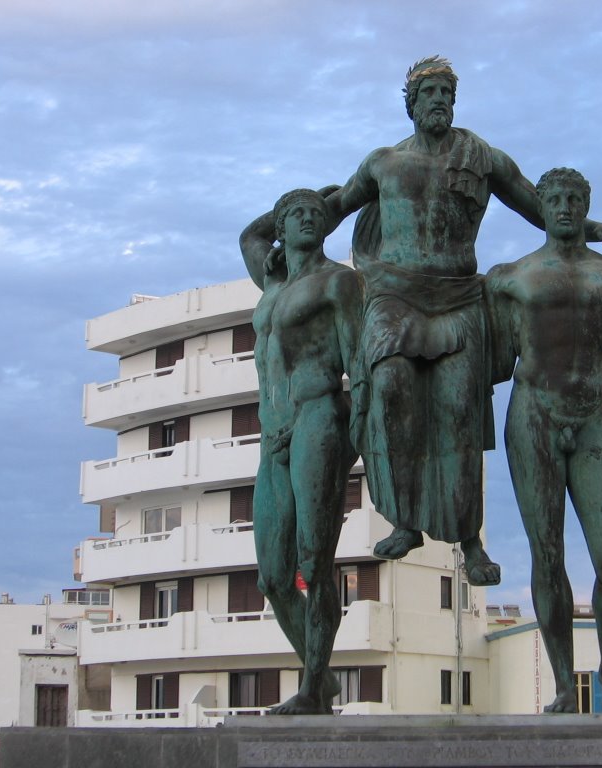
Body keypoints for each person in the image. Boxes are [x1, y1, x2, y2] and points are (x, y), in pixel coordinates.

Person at [321, 56, 602, 586]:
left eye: (446, 92)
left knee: (460, 412)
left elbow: (534, 200)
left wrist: (588, 227)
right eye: (429, 92)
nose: (439, 100)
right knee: (390, 390)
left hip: (459, 296)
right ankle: (404, 520)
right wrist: (290, 231)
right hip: (395, 295)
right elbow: (339, 204)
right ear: (411, 103)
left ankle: (469, 540)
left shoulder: (479, 156)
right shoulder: (384, 162)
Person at [485, 168, 602, 713]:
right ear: (540, 206)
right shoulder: (508, 277)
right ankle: (565, 684)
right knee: (547, 557)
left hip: (596, 424)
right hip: (533, 418)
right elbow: (473, 357)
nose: (564, 207)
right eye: (555, 199)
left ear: (587, 205)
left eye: (574, 199)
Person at [238, 188, 363, 714]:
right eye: (298, 215)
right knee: (272, 576)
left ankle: (312, 688)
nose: (310, 219)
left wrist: (354, 433)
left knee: (315, 562)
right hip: (272, 433)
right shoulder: (270, 281)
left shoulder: (339, 281)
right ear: (283, 228)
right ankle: (323, 673)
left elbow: (359, 363)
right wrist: (310, 196)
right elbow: (249, 235)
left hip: (318, 418)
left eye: (318, 214)